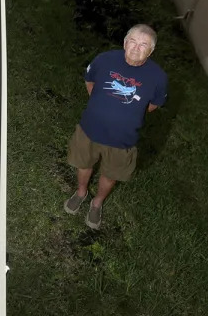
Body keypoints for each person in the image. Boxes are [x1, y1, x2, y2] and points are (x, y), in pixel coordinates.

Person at [63, 24, 168, 229]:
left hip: (123, 139)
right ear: (125, 42)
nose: (137, 48)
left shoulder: (158, 77)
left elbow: (153, 105)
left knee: (110, 175)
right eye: (133, 41)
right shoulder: (105, 59)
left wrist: (130, 111)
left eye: (144, 45)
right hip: (90, 130)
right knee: (84, 164)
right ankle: (81, 192)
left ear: (151, 51)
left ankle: (97, 203)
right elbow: (90, 81)